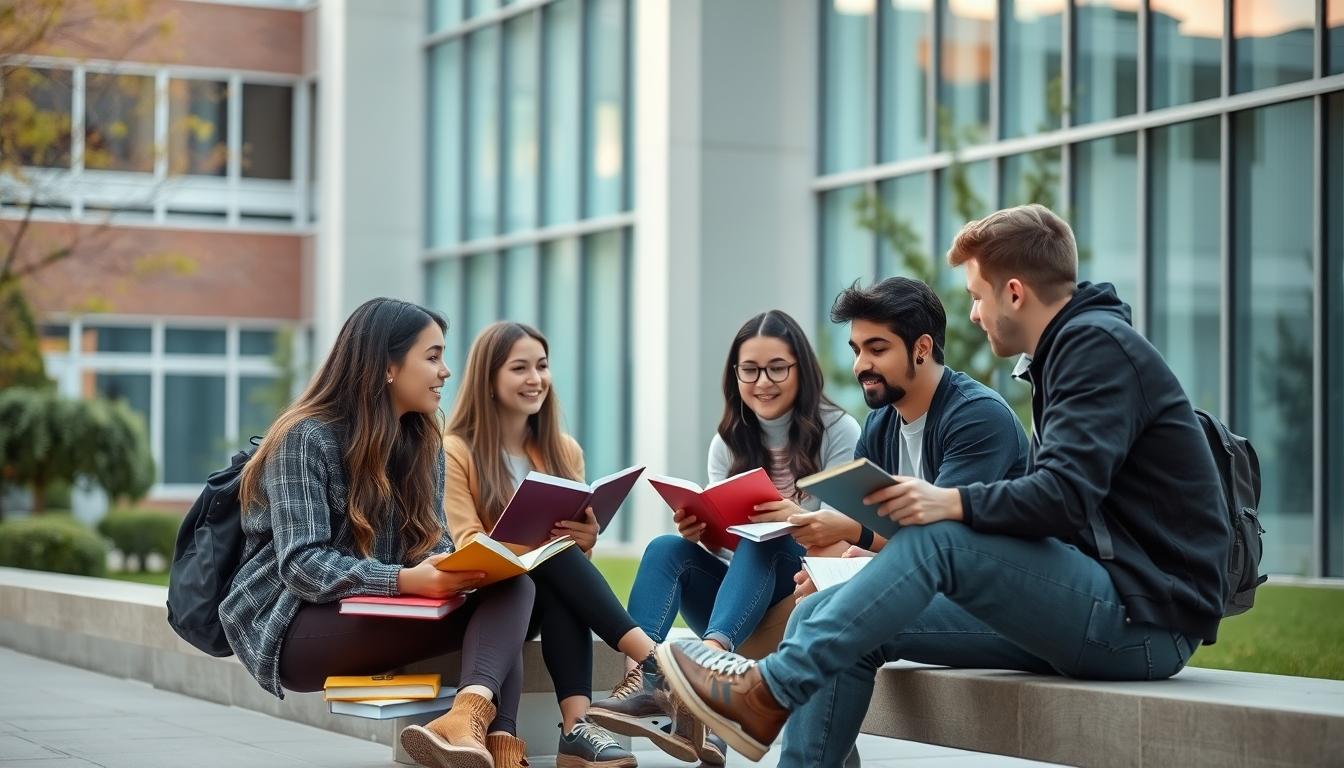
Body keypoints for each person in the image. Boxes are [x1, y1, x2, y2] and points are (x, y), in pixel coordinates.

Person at [653, 204, 1231, 767]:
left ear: (1013, 292)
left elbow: (1062, 498)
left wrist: (944, 502)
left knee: (941, 534)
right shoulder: (1062, 357)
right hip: (1084, 602)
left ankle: (765, 692)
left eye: (977, 296)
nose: (974, 314)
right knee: (819, 616)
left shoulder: (1093, 346)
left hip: (1143, 620)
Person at [220, 298, 536, 768]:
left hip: (382, 607)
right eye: (432, 357)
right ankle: (486, 733)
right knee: (512, 600)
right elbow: (301, 565)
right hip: (294, 624)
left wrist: (452, 567)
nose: (446, 371)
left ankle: (477, 728)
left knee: (517, 584)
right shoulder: (304, 437)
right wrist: (406, 581)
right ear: (388, 366)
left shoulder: (423, 441)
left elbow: (433, 540)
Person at [588, 310, 860, 764]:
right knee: (666, 549)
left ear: (802, 371)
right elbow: (729, 553)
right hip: (741, 606)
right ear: (735, 375)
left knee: (763, 537)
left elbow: (849, 541)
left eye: (777, 368)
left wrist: (794, 518)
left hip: (803, 596)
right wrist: (703, 534)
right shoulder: (727, 441)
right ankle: (649, 682)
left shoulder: (838, 431)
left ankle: (708, 676)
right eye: (749, 370)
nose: (763, 382)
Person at [443, 321, 689, 768]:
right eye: (520, 368)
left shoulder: (563, 450)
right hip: (488, 601)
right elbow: (467, 543)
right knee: (549, 557)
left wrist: (586, 539)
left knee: (557, 561)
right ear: (489, 380)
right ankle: (651, 662)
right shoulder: (456, 449)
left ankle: (578, 728)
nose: (536, 378)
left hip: (546, 593)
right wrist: (536, 548)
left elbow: (572, 555)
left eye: (542, 366)